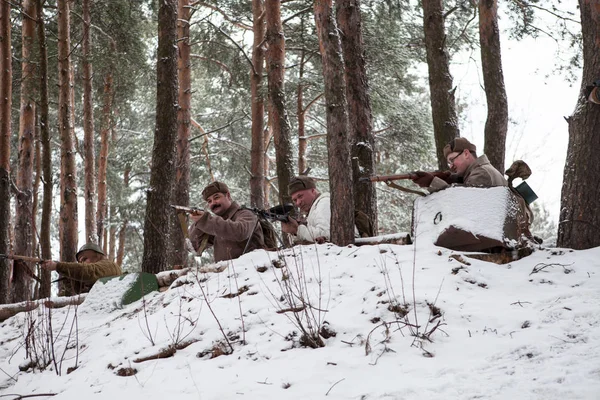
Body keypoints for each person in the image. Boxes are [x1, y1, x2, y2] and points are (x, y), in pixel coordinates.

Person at [189, 181, 265, 262]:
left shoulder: (246, 214)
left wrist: (205, 220)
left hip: (251, 271)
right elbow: (194, 247)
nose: (213, 203)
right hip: (226, 273)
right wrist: (198, 222)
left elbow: (240, 232)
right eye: (209, 201)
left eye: (216, 197)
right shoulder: (217, 224)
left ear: (228, 195)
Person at [411, 137, 507, 190]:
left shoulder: (481, 172)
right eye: (449, 163)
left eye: (452, 160)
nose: (451, 166)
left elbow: (463, 201)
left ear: (466, 153)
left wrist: (432, 182)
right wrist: (450, 180)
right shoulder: (482, 170)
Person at [41, 243, 122, 295]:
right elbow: (80, 291)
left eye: (84, 259)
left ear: (97, 256)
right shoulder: (96, 275)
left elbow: (89, 271)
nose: (82, 264)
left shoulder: (109, 265)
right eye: (80, 262)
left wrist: (58, 266)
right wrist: (68, 278)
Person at [281, 176, 330, 244]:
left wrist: (297, 229)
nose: (298, 203)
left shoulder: (323, 203)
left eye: (300, 196)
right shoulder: (314, 208)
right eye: (295, 200)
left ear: (313, 191)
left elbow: (325, 235)